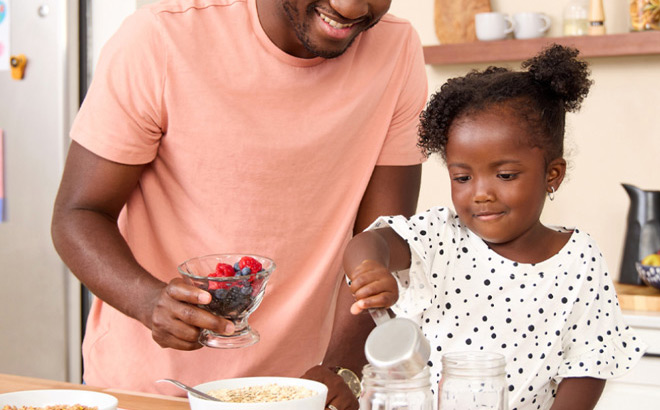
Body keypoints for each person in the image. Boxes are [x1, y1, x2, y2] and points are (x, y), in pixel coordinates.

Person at [50, 0, 427, 408]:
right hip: (150, 388)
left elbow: (381, 240)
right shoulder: (162, 36)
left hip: (295, 391)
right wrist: (146, 301)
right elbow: (79, 213)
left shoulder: (396, 48)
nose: (351, 6)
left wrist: (342, 369)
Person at [343, 44, 646, 410]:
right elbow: (370, 242)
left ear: (552, 175)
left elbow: (589, 364)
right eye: (462, 177)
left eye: (504, 175)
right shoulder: (441, 235)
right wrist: (370, 268)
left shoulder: (579, 259)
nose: (481, 193)